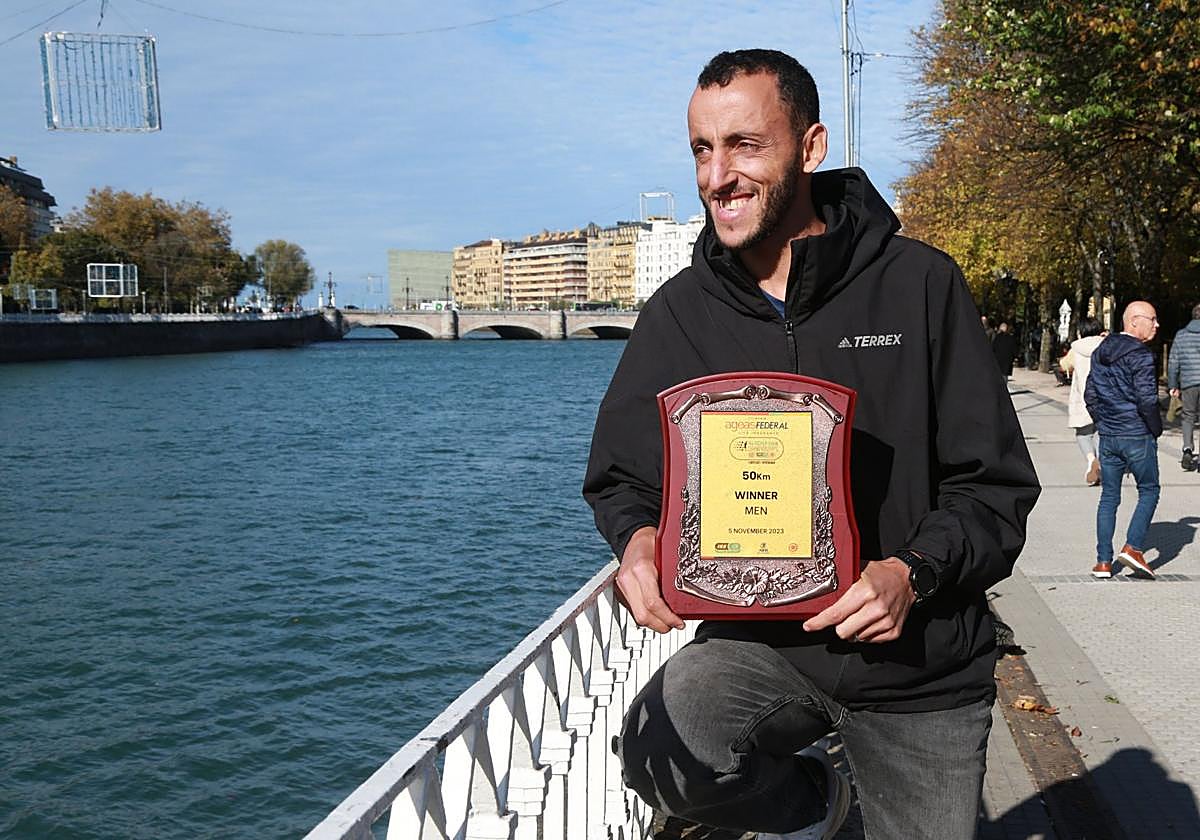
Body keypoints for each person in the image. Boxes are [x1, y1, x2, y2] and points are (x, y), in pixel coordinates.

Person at [583, 49, 1040, 840]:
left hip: (920, 665)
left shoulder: (920, 285)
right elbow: (621, 476)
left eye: (744, 145)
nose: (717, 176)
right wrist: (638, 540)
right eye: (701, 149)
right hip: (762, 649)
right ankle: (815, 804)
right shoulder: (679, 313)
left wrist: (913, 572)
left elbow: (995, 489)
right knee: (665, 745)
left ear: (811, 147)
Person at [1084, 301, 1162, 579]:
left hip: (1109, 435)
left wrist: (1103, 422)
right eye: (1152, 319)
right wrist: (1155, 429)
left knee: (1109, 496)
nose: (1156, 325)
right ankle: (1133, 548)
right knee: (1149, 490)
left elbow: (1090, 394)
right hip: (1136, 433)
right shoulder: (1140, 355)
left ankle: (1103, 562)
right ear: (1133, 321)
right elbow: (1147, 399)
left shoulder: (1101, 351)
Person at [1062, 317, 1106, 485]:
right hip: (1104, 397)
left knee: (1083, 433)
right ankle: (1101, 463)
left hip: (1083, 398)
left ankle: (1091, 459)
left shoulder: (1076, 349)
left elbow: (1064, 365)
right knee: (1101, 432)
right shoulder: (1107, 346)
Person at [1167, 303, 1200, 471]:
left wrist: (1173, 384)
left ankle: (1187, 448)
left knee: (1188, 416)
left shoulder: (1181, 335)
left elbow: (1173, 362)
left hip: (1188, 383)